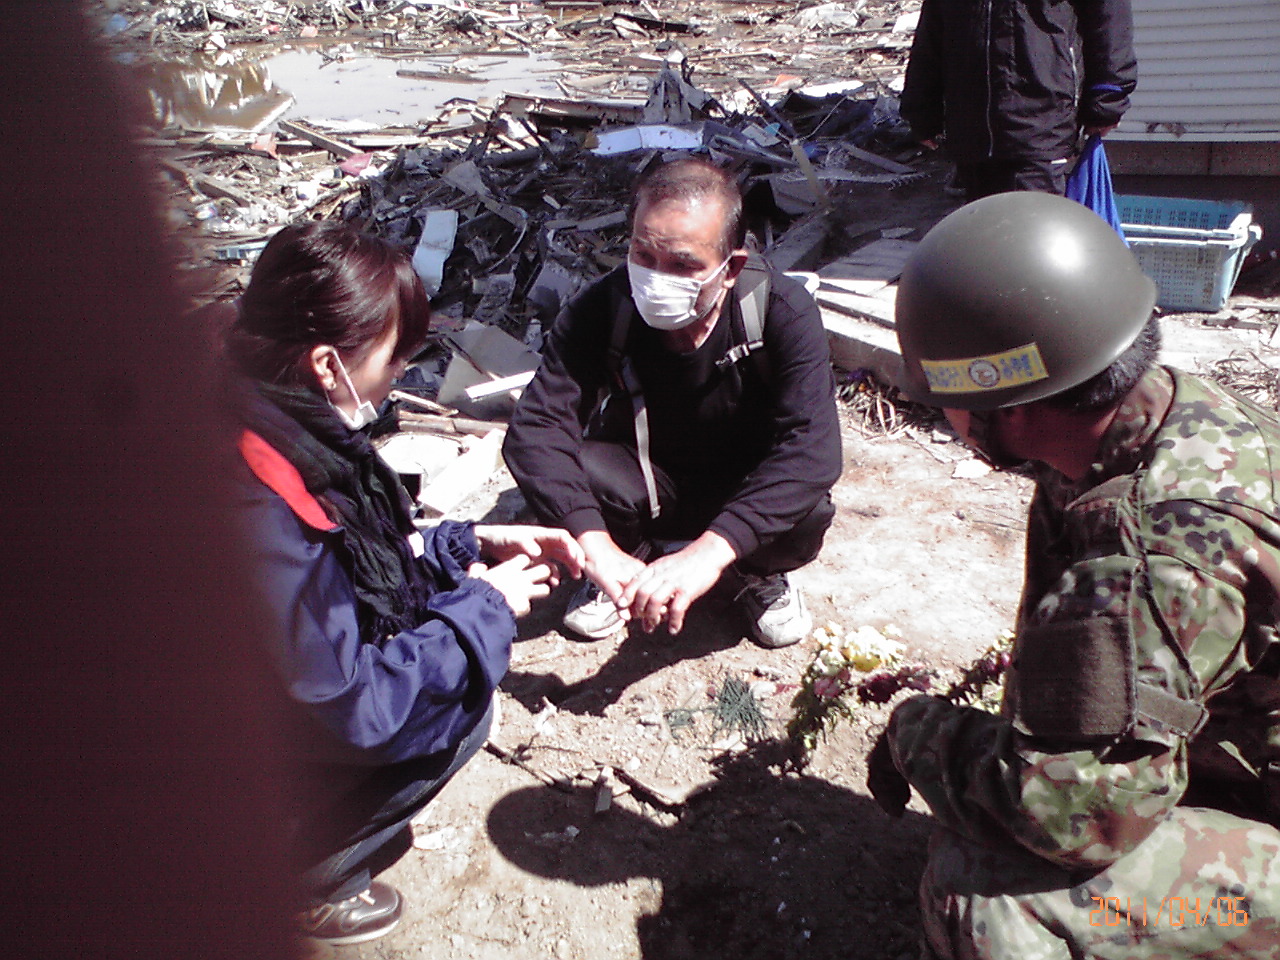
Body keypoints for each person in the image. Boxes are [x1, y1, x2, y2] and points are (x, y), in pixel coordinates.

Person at [867, 192, 1280, 957]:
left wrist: (915, 735)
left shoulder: (1156, 552)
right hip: (1245, 750)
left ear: (1010, 409)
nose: (948, 418)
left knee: (982, 894)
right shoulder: (1154, 420)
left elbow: (1080, 818)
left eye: (954, 400)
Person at [227, 221, 584, 946]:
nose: (398, 378)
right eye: (394, 359)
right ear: (328, 364)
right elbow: (355, 704)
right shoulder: (258, 501)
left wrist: (470, 542)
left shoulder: (270, 420)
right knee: (461, 704)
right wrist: (486, 610)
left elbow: (358, 556)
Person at [502, 157, 842, 649]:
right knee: (578, 467)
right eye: (643, 255)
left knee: (805, 505)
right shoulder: (604, 308)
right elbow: (537, 427)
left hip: (742, 485)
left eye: (683, 264)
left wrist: (710, 551)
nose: (657, 278)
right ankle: (626, 571)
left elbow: (813, 448)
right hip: (644, 479)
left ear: (731, 269)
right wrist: (595, 544)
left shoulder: (780, 313)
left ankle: (754, 573)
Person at [900, 0, 1137, 202]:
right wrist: (922, 109)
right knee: (983, 243)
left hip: (1040, 125)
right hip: (971, 132)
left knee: (1034, 243)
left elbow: (1109, 20)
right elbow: (932, 30)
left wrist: (1108, 96)